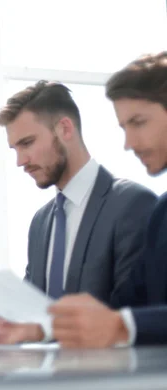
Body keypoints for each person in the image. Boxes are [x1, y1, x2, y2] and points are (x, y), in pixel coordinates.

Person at [0, 81, 156, 343]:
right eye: (15, 149)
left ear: (65, 128)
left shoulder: (133, 204)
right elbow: (34, 311)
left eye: (27, 143)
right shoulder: (42, 221)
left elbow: (133, 317)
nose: (20, 161)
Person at [49, 51, 167, 347]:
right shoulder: (162, 213)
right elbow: (130, 306)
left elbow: (125, 321)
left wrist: (123, 326)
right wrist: (40, 329)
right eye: (124, 127)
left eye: (138, 122)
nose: (128, 144)